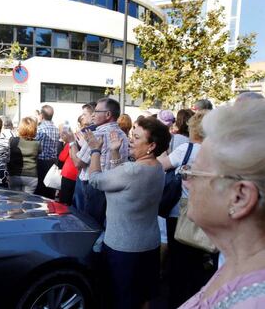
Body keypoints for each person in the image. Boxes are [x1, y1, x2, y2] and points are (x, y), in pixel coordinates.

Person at [179, 99, 265, 308]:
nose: (187, 183)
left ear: (240, 197)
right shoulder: (237, 262)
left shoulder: (254, 301)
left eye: (193, 172)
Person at [85, 116, 171, 308]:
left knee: (121, 300)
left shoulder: (132, 171)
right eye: (132, 134)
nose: (130, 139)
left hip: (124, 248)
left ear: (151, 146)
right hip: (149, 244)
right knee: (143, 297)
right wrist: (115, 152)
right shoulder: (157, 167)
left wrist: (96, 150)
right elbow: (122, 183)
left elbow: (96, 180)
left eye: (137, 137)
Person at [158, 110, 211, 308]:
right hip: (207, 212)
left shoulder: (186, 150)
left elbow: (161, 166)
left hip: (180, 213)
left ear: (193, 129)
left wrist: (164, 154)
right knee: (198, 261)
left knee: (178, 262)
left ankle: (177, 302)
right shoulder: (217, 153)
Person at [66, 98, 129, 227]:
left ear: (108, 115)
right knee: (103, 224)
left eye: (97, 111)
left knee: (87, 225)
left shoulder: (97, 134)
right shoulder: (123, 134)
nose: (93, 114)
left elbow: (78, 163)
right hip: (113, 186)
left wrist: (71, 142)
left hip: (91, 186)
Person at [8, 117, 40, 193]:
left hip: (14, 175)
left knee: (14, 201)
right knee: (27, 202)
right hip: (31, 176)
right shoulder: (37, 143)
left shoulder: (12, 140)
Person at [34, 105, 59, 199]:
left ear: (42, 115)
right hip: (53, 162)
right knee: (50, 189)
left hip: (41, 162)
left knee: (40, 190)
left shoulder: (40, 129)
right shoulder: (56, 129)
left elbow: (34, 143)